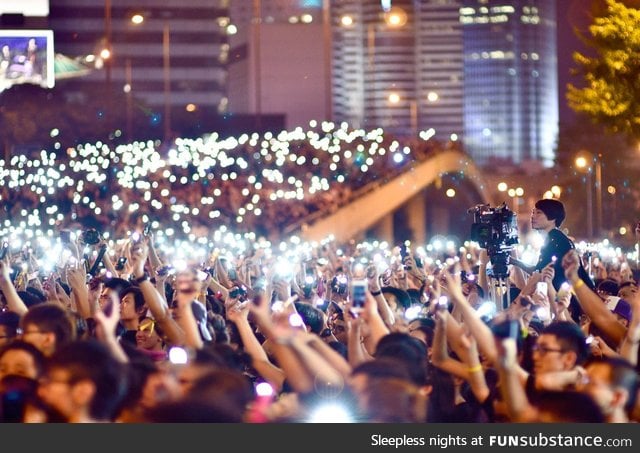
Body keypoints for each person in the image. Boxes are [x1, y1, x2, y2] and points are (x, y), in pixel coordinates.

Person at [512, 199, 593, 291]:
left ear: (553, 218)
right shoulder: (554, 237)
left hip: (565, 299)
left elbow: (538, 272)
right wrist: (515, 262)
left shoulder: (556, 241)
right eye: (533, 212)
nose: (533, 216)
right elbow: (539, 270)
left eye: (539, 213)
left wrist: (515, 262)